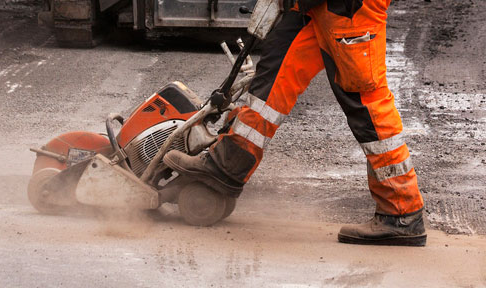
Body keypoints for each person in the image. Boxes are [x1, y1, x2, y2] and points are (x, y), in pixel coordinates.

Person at [163, 0, 427, 246]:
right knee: (275, 73)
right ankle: (227, 165)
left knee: (364, 103)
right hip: (314, 6)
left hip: (350, 9)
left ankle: (401, 212)